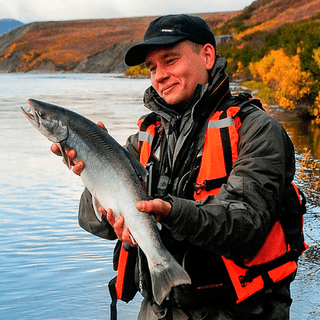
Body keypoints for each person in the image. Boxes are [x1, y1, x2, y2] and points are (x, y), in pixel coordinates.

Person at [51, 14, 307, 320]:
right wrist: (93, 171)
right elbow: (94, 224)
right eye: (152, 67)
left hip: (241, 311)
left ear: (207, 56)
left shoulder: (258, 130)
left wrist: (169, 212)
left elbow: (246, 224)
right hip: (158, 310)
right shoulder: (144, 139)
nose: (159, 75)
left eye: (170, 60)